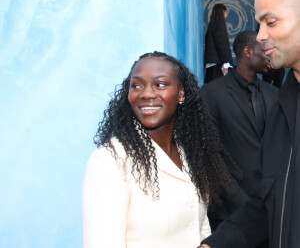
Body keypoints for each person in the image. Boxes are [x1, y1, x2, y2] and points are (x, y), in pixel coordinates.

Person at [82, 51, 232, 248]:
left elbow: (199, 228)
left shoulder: (189, 152)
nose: (146, 94)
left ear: (181, 93)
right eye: (136, 85)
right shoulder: (110, 160)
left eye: (160, 84)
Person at [199, 0, 300, 248]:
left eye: (271, 22)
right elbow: (267, 204)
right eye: (259, 25)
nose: (261, 36)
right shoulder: (283, 108)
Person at [201, 30, 278, 247]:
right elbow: (212, 157)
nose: (269, 55)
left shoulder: (275, 94)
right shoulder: (211, 93)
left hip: (269, 212)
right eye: (265, 50)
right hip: (229, 215)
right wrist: (244, 204)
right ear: (247, 51)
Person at [204, 3, 233, 83]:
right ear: (223, 11)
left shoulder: (211, 25)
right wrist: (226, 63)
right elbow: (222, 45)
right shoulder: (220, 24)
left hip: (210, 64)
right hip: (218, 65)